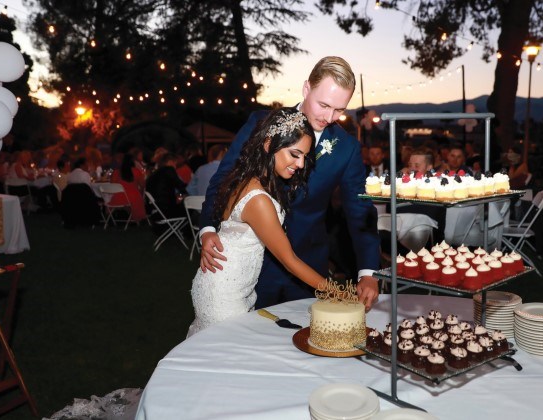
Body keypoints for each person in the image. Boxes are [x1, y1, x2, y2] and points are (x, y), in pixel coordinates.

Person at [199, 56, 380, 310]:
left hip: (309, 266)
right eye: (324, 105)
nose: (330, 117)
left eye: (340, 110)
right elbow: (224, 179)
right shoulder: (260, 124)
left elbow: (360, 210)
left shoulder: (346, 147)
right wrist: (207, 228)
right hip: (253, 267)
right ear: (306, 89)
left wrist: (368, 272)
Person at [188, 108, 327, 336]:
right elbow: (289, 260)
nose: (301, 164)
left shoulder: (247, 178)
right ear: (268, 144)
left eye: (304, 156)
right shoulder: (259, 200)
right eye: (294, 154)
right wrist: (337, 292)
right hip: (225, 294)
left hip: (223, 283)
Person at [145, 153, 187, 219]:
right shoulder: (169, 170)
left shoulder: (154, 174)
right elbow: (182, 186)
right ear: (170, 162)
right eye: (175, 164)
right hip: (166, 210)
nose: (175, 167)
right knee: (190, 209)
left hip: (154, 210)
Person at [110, 154, 147, 222]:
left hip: (118, 199)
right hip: (133, 199)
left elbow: (112, 186)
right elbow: (143, 185)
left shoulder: (116, 172)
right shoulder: (136, 171)